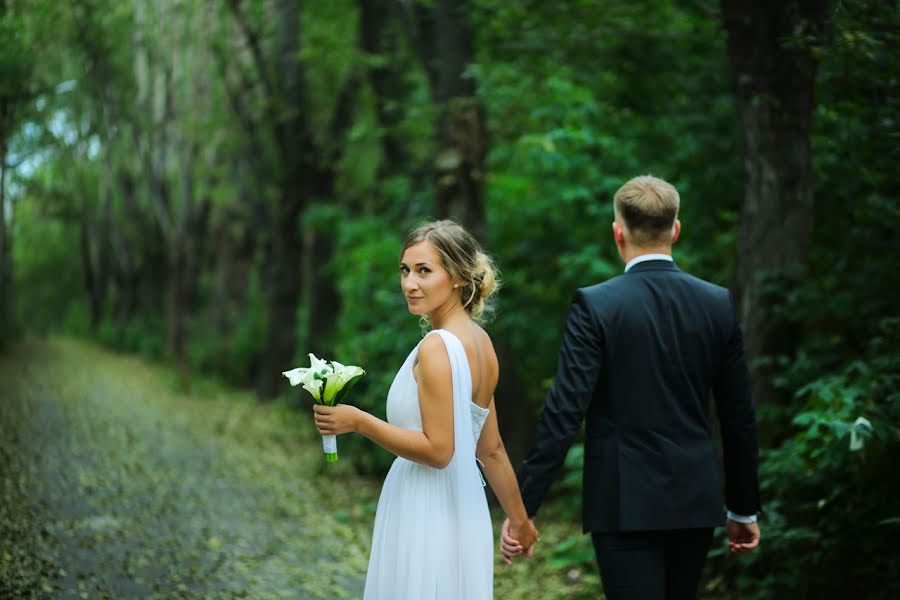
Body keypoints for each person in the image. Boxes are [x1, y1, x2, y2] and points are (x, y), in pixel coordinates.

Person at [502, 175, 761, 599]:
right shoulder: (716, 303)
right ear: (675, 230)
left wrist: (523, 507)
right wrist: (743, 507)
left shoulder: (597, 304)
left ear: (617, 232)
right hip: (693, 500)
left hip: (623, 501)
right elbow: (738, 416)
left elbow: (565, 410)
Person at [313, 219, 539, 600]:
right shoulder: (482, 344)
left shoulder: (438, 347)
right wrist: (519, 522)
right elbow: (490, 449)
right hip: (464, 512)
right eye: (405, 270)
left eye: (424, 271)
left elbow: (439, 450)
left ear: (457, 276)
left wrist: (359, 421)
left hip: (426, 508)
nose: (409, 284)